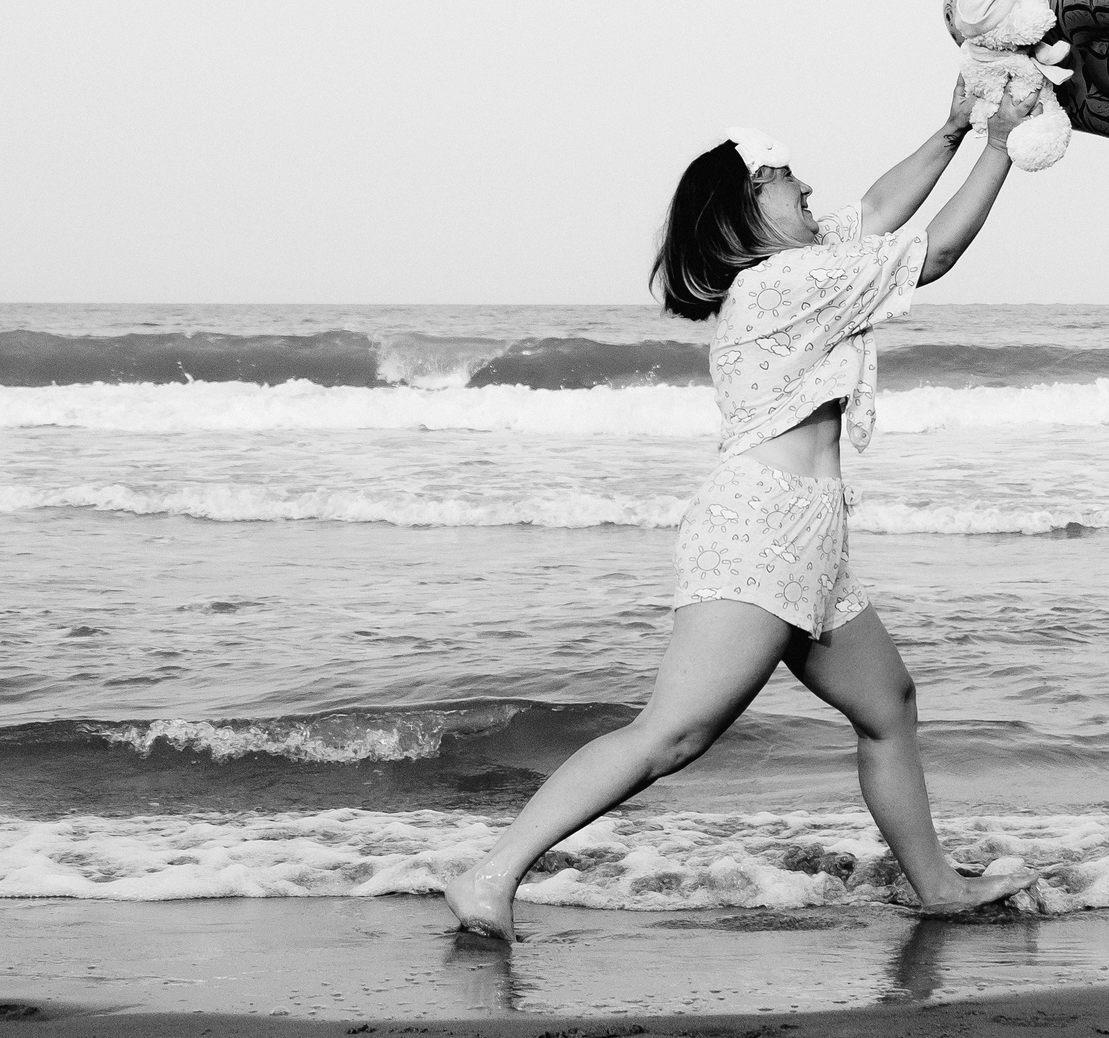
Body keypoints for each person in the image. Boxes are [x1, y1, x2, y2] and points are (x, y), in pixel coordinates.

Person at [444, 90, 1037, 938]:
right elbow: (931, 250)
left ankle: (936, 885)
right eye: (786, 176)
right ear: (747, 203)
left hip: (811, 534)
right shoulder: (786, 281)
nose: (806, 186)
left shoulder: (799, 263)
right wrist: (1003, 146)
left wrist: (954, 127)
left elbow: (872, 210)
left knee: (887, 705)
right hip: (761, 531)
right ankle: (489, 874)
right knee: (672, 735)